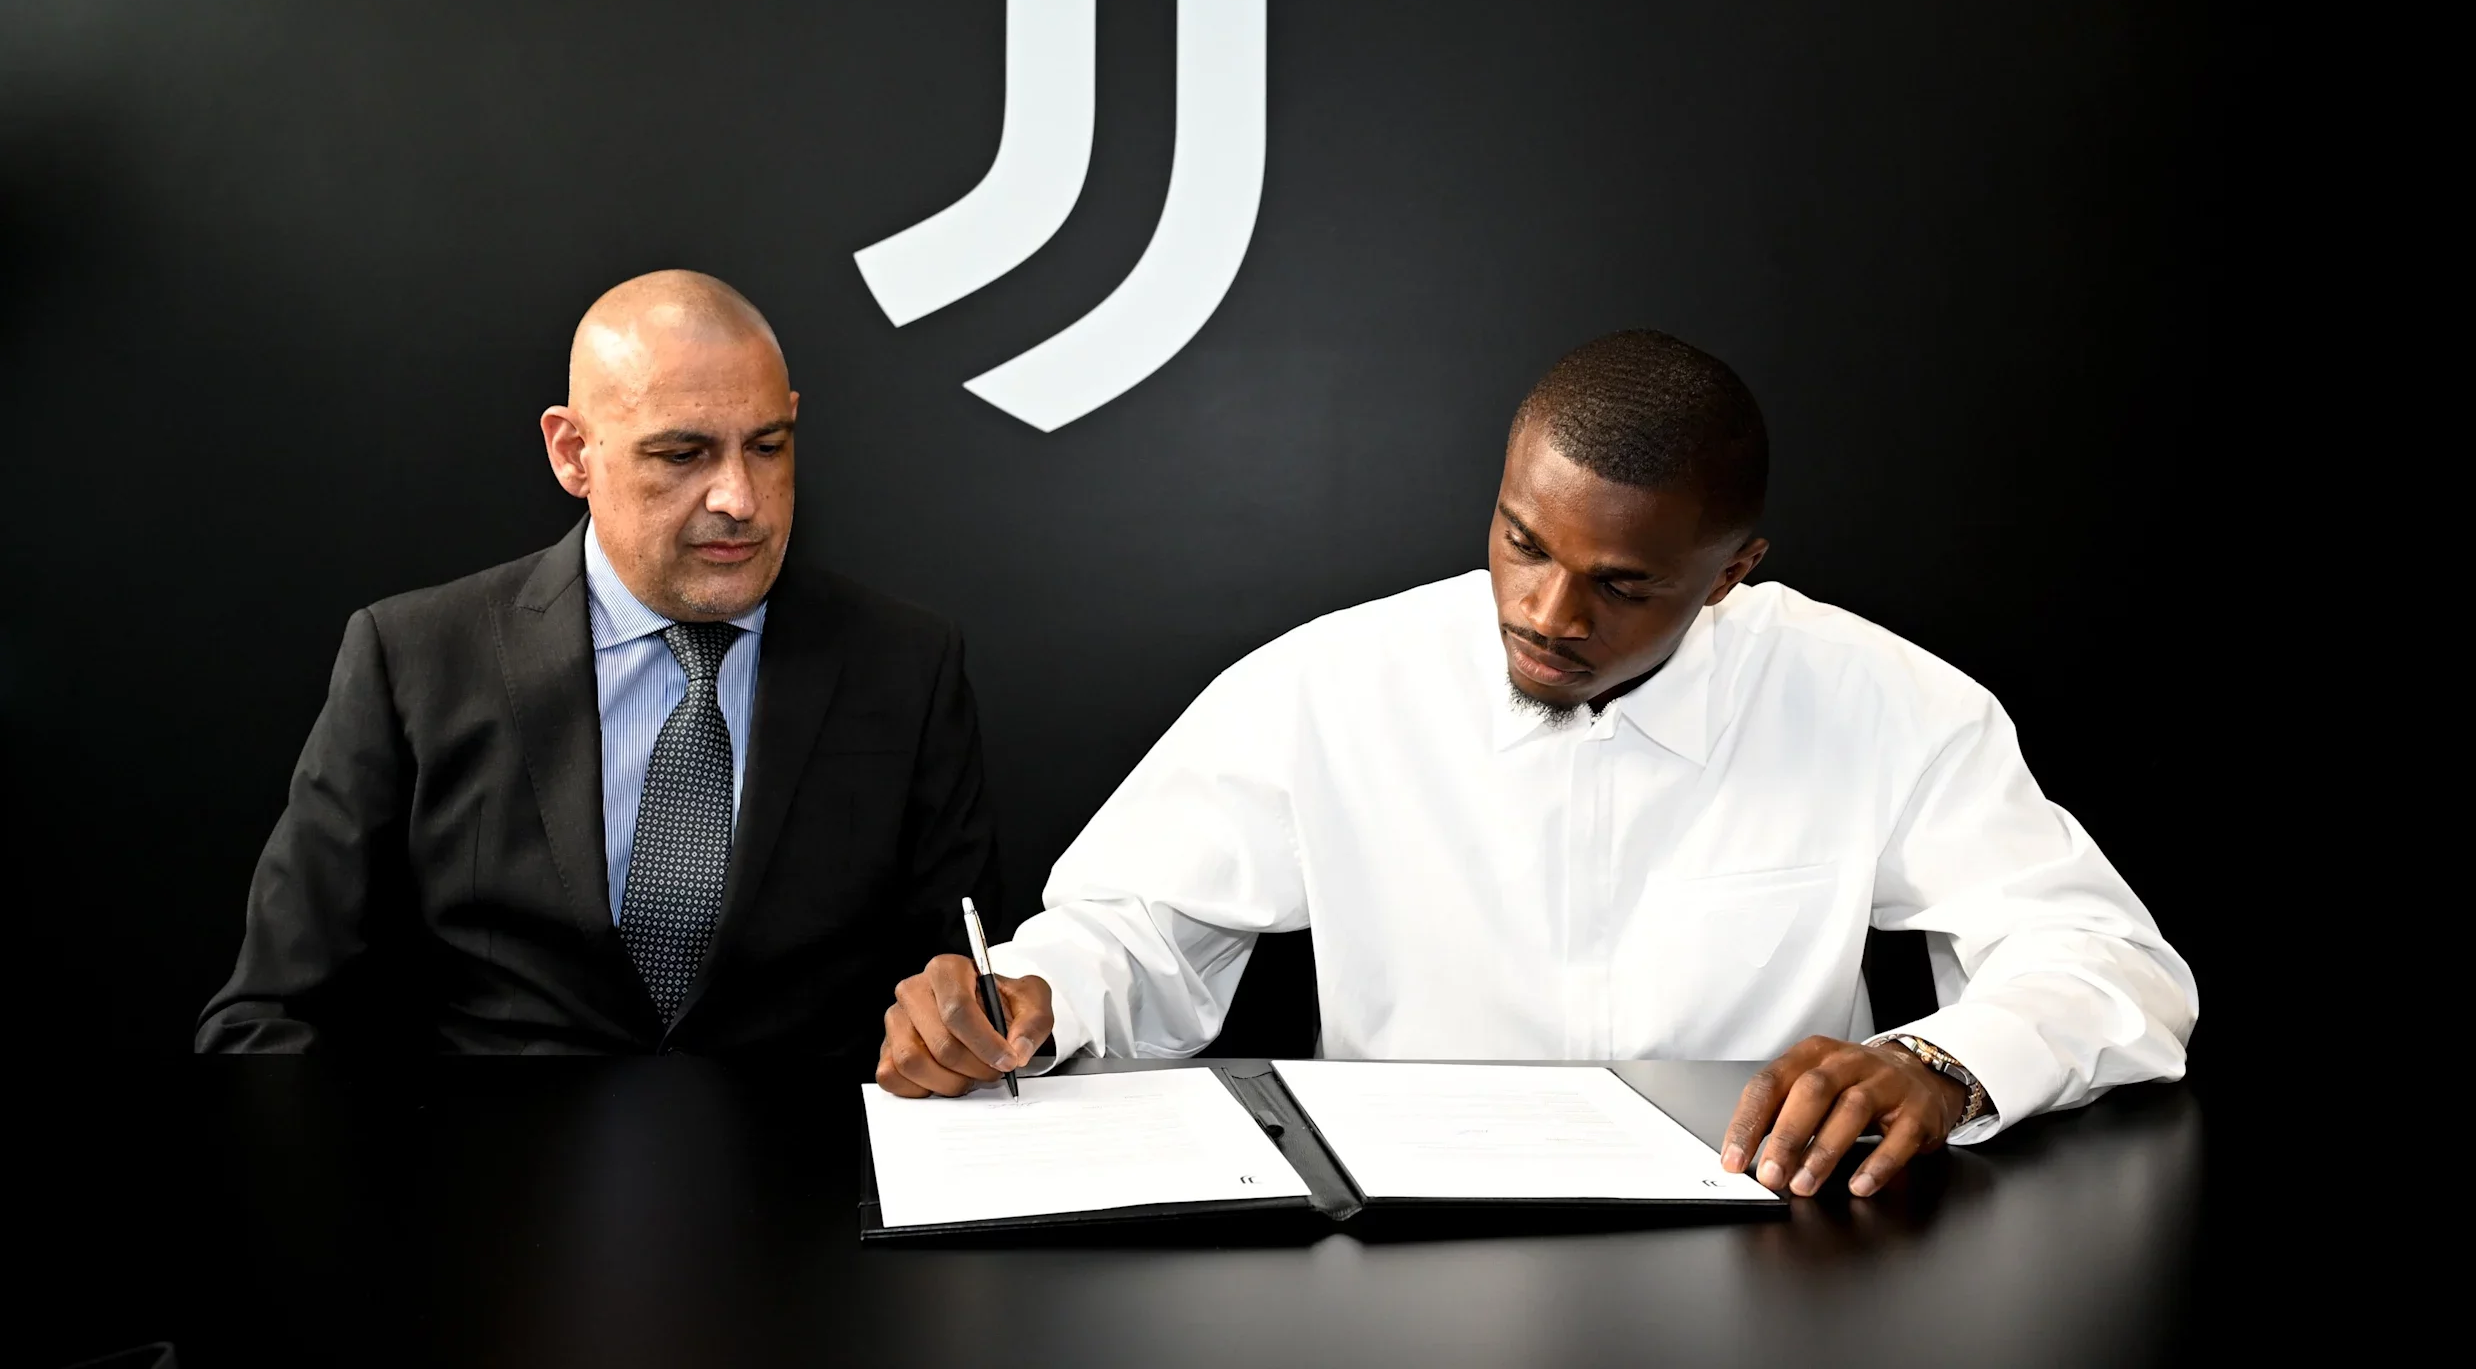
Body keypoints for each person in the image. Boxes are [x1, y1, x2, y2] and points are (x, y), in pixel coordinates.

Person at [875, 329, 2195, 1199]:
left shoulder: (1876, 701)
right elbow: (1134, 930)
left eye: (1622, 585)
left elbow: (2112, 964)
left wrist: (1944, 1063)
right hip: (1406, 1273)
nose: (1548, 613)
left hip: (1773, 1251)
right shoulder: (1333, 684)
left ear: (1731, 573)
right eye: (1522, 541)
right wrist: (1028, 996)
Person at [199, 270, 999, 1053]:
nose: (739, 498)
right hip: (494, 1143)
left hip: (810, 1140)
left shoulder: (907, 667)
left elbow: (966, 994)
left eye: (767, 446)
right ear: (573, 452)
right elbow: (268, 1013)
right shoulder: (415, 661)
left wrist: (966, 1032)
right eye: (681, 454)